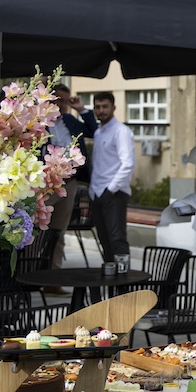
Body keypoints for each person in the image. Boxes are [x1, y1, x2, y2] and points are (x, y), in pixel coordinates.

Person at [47, 84, 97, 273]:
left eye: (65, 101)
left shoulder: (70, 120)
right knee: (36, 231)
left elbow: (94, 131)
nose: (62, 105)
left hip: (69, 183)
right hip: (45, 185)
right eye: (58, 100)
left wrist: (82, 110)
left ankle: (53, 276)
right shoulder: (39, 122)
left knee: (58, 232)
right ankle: (29, 277)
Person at [88, 91, 135, 263]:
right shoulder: (98, 133)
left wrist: (110, 190)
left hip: (114, 194)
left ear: (113, 107)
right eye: (98, 107)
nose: (101, 110)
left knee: (117, 241)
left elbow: (128, 163)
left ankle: (124, 284)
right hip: (97, 193)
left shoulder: (121, 131)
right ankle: (111, 284)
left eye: (105, 106)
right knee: (105, 242)